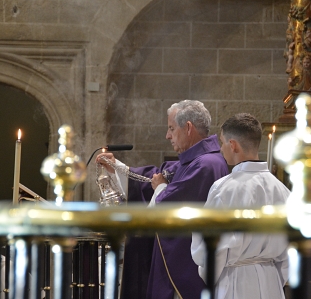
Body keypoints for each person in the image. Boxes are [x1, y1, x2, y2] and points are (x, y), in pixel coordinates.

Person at [96, 100, 229, 299]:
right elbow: (152, 177)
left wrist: (160, 188)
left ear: (188, 128)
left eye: (171, 129)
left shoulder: (206, 164)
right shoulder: (197, 161)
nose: (168, 136)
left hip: (185, 267)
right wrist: (118, 168)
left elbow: (170, 203)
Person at [191, 113, 291, 299]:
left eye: (222, 142)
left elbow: (209, 245)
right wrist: (273, 277)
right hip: (271, 283)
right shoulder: (283, 191)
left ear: (233, 145)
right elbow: (290, 253)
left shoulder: (224, 189)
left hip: (235, 282)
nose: (221, 149)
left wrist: (208, 275)